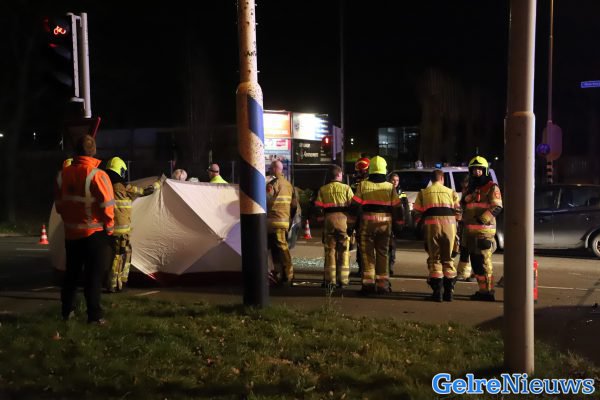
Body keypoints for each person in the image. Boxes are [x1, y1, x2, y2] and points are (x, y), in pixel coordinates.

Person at [54, 135, 114, 325]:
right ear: (93, 150)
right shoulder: (98, 175)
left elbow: (59, 205)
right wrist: (109, 228)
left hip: (71, 234)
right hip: (94, 234)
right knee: (93, 276)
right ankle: (94, 315)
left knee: (71, 274)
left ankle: (67, 312)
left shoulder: (63, 175)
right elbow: (107, 205)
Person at [104, 157, 160, 292]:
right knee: (119, 255)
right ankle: (114, 284)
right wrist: (159, 183)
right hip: (121, 230)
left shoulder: (104, 185)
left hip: (108, 227)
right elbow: (145, 191)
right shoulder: (124, 187)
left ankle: (120, 280)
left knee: (124, 252)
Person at [351, 156, 403, 295]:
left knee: (367, 255)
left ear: (371, 169)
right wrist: (399, 225)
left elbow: (354, 206)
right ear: (384, 170)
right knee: (383, 254)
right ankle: (382, 286)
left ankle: (368, 285)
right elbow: (397, 208)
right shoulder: (390, 187)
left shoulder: (363, 185)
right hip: (385, 226)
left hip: (367, 225)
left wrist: (351, 225)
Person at [412, 170, 462, 302]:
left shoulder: (424, 192)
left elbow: (416, 212)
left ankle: (437, 293)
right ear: (442, 179)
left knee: (435, 259)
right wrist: (456, 226)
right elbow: (458, 212)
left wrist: (421, 225)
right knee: (448, 258)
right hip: (449, 228)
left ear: (431, 179)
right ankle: (449, 293)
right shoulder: (451, 192)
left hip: (432, 227)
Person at [462, 156, 503, 301]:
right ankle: (482, 290)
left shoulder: (492, 187)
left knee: (485, 262)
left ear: (485, 171)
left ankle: (489, 292)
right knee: (476, 263)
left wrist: (482, 219)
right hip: (471, 232)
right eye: (474, 169)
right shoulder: (470, 188)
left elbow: (497, 206)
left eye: (480, 169)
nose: (477, 172)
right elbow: (464, 205)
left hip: (485, 231)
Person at [314, 165, 355, 289]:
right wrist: (352, 225)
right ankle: (343, 280)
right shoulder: (347, 188)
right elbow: (353, 207)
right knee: (344, 251)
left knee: (330, 252)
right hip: (344, 223)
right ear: (338, 175)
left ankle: (330, 280)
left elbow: (318, 208)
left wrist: (322, 222)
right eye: (341, 174)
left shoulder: (323, 190)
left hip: (329, 223)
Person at [266, 159, 298, 286]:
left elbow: (265, 199)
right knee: (280, 248)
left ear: (275, 169)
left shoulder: (272, 184)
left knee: (279, 249)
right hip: (284, 221)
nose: (269, 170)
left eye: (270, 168)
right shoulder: (289, 185)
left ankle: (286, 275)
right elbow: (294, 205)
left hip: (273, 221)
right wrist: (290, 219)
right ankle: (282, 274)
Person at [349, 157, 370, 277]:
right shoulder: (358, 181)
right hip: (363, 216)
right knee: (362, 244)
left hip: (362, 216)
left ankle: (364, 268)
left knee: (363, 244)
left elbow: (354, 201)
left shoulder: (362, 183)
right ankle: (363, 268)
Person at [388, 173, 409, 276]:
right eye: (393, 180)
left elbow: (405, 207)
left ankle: (390, 266)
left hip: (395, 221)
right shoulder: (386, 190)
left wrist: (405, 220)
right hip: (386, 220)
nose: (395, 182)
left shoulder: (401, 192)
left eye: (397, 180)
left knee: (392, 245)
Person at [456, 174, 475, 282]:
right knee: (465, 250)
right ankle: (464, 273)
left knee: (472, 251)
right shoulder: (466, 195)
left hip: (473, 226)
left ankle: (473, 274)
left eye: (465, 187)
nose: (463, 189)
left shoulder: (473, 194)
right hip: (467, 226)